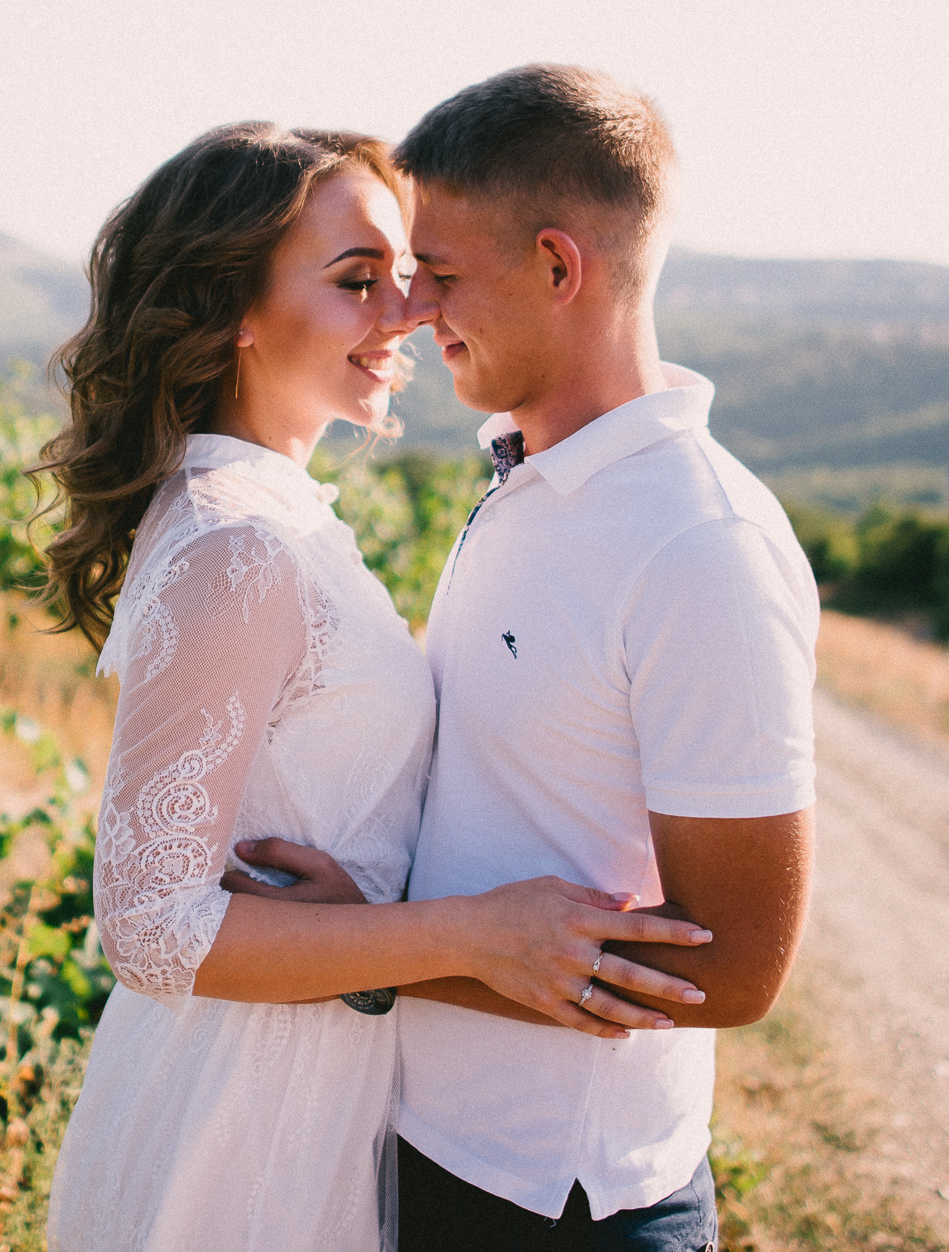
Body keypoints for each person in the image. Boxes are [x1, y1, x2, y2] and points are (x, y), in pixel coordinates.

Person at [35, 122, 718, 1252]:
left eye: (401, 275)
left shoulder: (275, 518)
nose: (404, 311)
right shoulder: (235, 549)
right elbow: (149, 927)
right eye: (357, 281)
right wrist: (466, 933)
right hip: (240, 1120)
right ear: (232, 315)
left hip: (316, 1084)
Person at [237, 66, 821, 1250]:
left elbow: (739, 969)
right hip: (429, 1144)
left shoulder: (697, 545)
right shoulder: (526, 473)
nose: (409, 310)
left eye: (440, 274)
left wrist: (383, 950)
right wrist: (388, 940)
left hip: (562, 1200)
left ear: (560, 267)